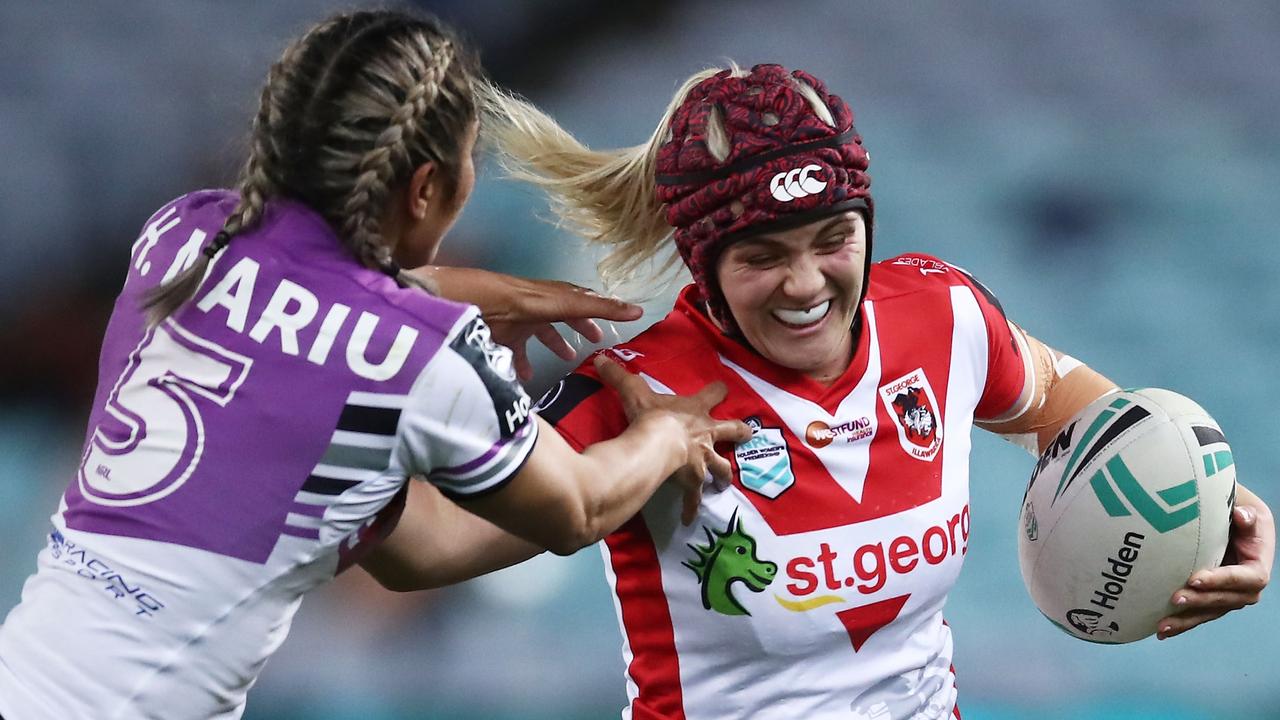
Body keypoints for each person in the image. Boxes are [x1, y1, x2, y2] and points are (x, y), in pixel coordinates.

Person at [0, 11, 751, 720]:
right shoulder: (426, 357)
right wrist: (667, 436)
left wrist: (476, 294)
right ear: (428, 187)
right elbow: (580, 507)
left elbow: (415, 550)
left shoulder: (180, 235)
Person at [463, 63, 1275, 719]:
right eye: (761, 256)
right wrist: (420, 343)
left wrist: (1232, 513)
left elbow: (1123, 434)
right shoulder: (633, 395)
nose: (807, 282)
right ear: (701, 261)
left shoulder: (943, 317)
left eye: (833, 238)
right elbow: (416, 550)